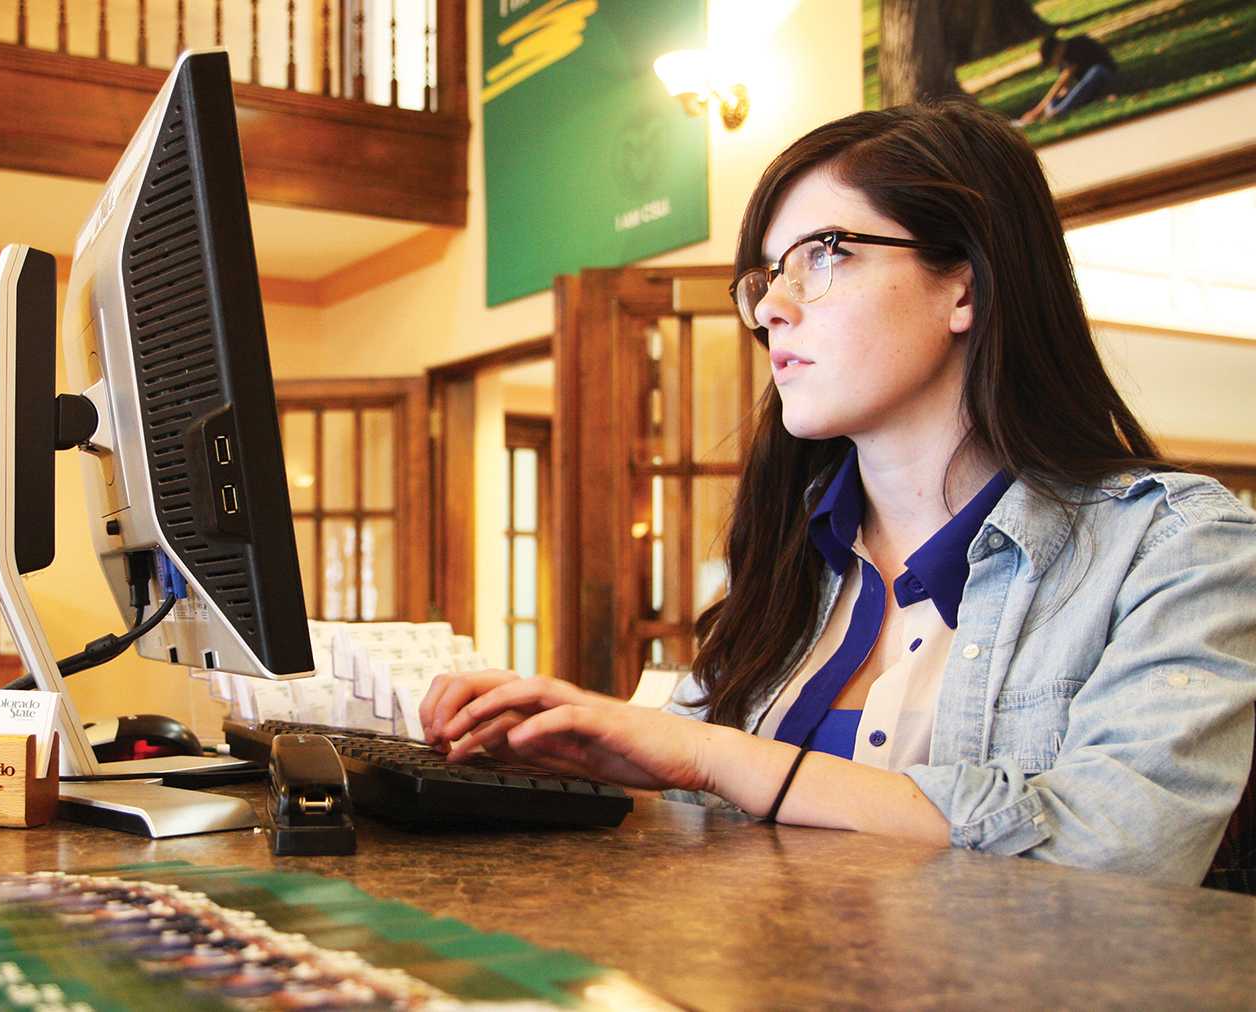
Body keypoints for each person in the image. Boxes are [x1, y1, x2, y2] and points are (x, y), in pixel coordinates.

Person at [420, 99, 1256, 886]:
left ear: (964, 285)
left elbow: (1113, 855)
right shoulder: (791, 560)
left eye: (825, 254)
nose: (773, 307)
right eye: (769, 275)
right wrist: (574, 758)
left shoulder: (1179, 546)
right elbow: (696, 822)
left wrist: (713, 755)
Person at [1016, 33, 1116, 125]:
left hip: (1103, 74)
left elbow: (1062, 81)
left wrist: (1037, 110)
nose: (1054, 64)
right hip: (1086, 84)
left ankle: (1059, 112)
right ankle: (1052, 111)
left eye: (1052, 60)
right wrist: (1054, 101)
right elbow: (1065, 88)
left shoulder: (1076, 46)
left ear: (1057, 50)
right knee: (1057, 99)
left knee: (1095, 71)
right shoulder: (1062, 60)